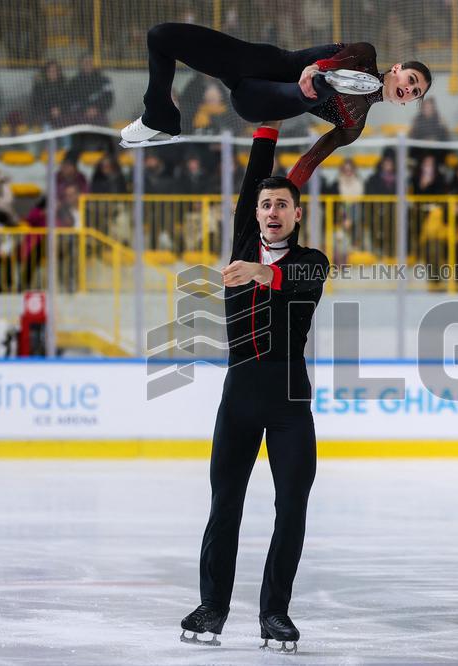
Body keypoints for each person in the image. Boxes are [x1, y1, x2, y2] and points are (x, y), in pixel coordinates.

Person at [178, 120, 329, 654]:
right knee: (226, 506)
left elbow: (290, 282)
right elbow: (251, 181)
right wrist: (268, 122)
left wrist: (257, 273)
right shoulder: (245, 241)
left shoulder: (313, 262)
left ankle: (275, 613)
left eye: (281, 205)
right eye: (265, 205)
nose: (271, 211)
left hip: (290, 399)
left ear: (296, 213)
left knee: (291, 506)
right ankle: (212, 607)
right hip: (240, 395)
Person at [121, 23, 431, 188]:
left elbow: (310, 161)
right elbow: (337, 60)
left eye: (416, 92)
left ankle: (323, 85)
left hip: (266, 100)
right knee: (160, 36)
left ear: (409, 102)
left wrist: (286, 194)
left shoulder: (354, 125)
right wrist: (318, 67)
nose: (410, 88)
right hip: (257, 62)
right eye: (412, 79)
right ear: (397, 69)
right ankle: (158, 114)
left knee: (306, 94)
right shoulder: (366, 55)